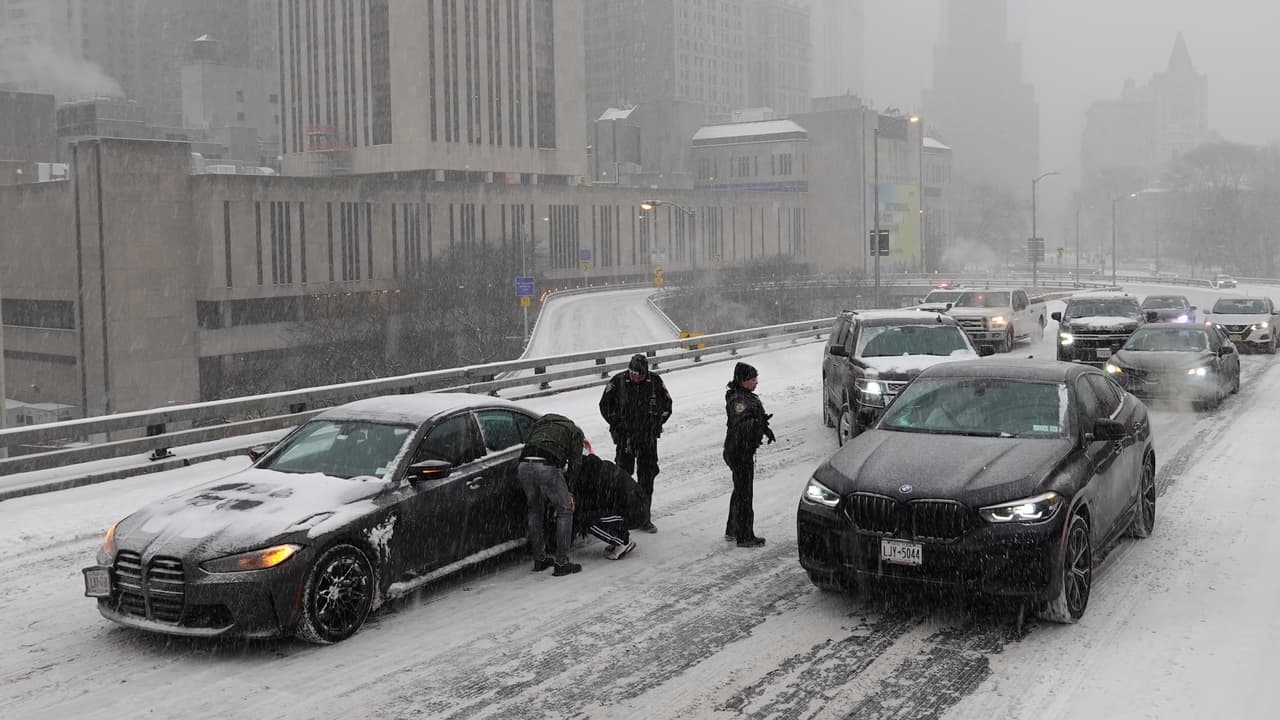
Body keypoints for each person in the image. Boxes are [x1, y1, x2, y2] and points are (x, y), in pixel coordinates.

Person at [599, 353, 672, 534]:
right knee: (622, 477)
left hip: (647, 438)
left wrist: (656, 423)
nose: (636, 377)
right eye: (633, 374)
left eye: (640, 375)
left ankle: (644, 518)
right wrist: (617, 423)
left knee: (647, 477)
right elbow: (604, 406)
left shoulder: (655, 382)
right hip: (625, 438)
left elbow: (667, 405)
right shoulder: (618, 382)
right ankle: (621, 517)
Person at [519, 413, 586, 576]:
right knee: (565, 511)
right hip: (546, 466)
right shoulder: (575, 431)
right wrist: (569, 491)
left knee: (535, 511)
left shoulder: (540, 424)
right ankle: (561, 563)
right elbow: (576, 463)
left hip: (523, 466)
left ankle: (539, 559)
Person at [723, 362, 774, 548]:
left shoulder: (744, 396)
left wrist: (764, 428)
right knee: (744, 494)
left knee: (740, 491)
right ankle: (744, 536)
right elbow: (741, 425)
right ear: (742, 380)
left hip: (740, 450)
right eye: (752, 379)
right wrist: (757, 424)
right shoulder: (738, 400)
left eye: (756, 378)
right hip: (739, 452)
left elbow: (752, 421)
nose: (756, 382)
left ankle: (733, 529)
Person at [574, 454, 644, 560]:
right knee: (598, 516)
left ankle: (623, 542)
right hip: (638, 505)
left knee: (586, 520)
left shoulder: (595, 481)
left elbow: (595, 506)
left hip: (633, 513)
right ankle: (619, 536)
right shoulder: (603, 467)